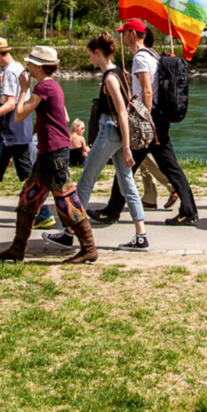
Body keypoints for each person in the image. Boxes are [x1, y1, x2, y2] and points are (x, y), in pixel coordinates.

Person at [0, 46, 96, 264]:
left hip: (53, 155)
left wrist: (23, 89)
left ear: (38, 67)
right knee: (28, 199)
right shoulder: (53, 86)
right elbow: (63, 117)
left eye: (29, 63)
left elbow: (19, 115)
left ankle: (89, 247)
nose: (26, 66)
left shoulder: (43, 88)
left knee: (67, 202)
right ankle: (17, 248)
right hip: (49, 153)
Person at [96, 18, 198, 227]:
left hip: (149, 120)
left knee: (128, 164)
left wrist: (144, 120)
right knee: (167, 166)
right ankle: (189, 211)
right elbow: (148, 84)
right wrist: (130, 79)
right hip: (158, 119)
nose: (122, 36)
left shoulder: (141, 58)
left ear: (133, 34)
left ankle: (112, 211)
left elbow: (148, 91)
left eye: (124, 32)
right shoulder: (152, 54)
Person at [54, 33, 149, 251]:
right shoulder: (117, 74)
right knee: (127, 184)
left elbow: (123, 113)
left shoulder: (110, 78)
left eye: (90, 55)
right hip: (115, 133)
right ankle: (140, 236)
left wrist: (126, 148)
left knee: (86, 180)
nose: (90, 60)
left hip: (109, 132)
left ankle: (69, 233)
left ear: (98, 53)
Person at [0, 37, 35, 224]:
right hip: (23, 129)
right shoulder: (20, 68)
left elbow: (10, 103)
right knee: (26, 173)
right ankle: (42, 214)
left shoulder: (10, 72)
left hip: (9, 132)